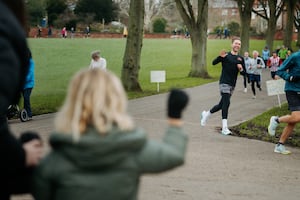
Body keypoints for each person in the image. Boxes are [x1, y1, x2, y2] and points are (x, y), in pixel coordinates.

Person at [32, 68, 189, 200]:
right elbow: (174, 154)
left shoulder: (54, 160)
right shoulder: (131, 151)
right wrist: (174, 117)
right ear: (117, 99)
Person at [0, 0, 43, 199]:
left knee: (26, 102)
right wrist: (19, 156)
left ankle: (27, 114)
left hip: (28, 84)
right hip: (26, 84)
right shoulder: (6, 38)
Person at [200, 37, 245, 135]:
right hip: (224, 82)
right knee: (227, 103)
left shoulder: (240, 59)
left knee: (221, 105)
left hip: (232, 84)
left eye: (239, 44)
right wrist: (220, 57)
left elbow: (244, 74)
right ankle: (224, 127)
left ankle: (206, 114)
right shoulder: (226, 55)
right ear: (231, 44)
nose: (237, 45)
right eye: (236, 43)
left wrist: (241, 69)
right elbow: (213, 63)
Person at [268, 51, 300, 155]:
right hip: (292, 90)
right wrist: (289, 77)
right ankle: (276, 120)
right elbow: (280, 70)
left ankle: (280, 145)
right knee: (297, 117)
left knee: (293, 120)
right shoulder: (295, 56)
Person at [22, 49, 35, 120]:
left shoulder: (31, 63)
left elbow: (30, 73)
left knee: (26, 98)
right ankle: (24, 113)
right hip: (22, 84)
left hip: (29, 84)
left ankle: (29, 114)